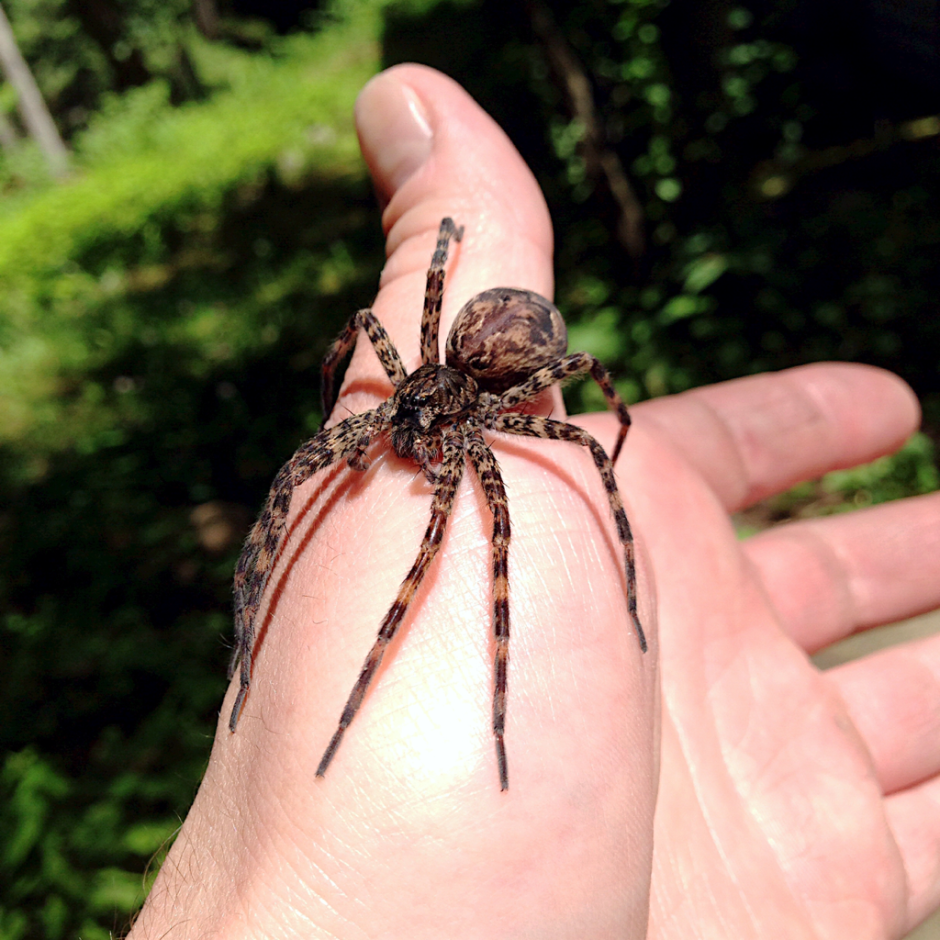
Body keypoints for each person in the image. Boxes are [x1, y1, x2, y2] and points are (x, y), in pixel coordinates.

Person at [128, 65, 940, 939]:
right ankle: (257, 641)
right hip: (450, 364)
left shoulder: (490, 423)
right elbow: (367, 328)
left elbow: (574, 433)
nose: (413, 439)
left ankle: (449, 703)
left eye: (425, 427)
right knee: (296, 480)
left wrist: (614, 457)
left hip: (500, 354)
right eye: (403, 415)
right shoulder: (402, 379)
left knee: (474, 535)